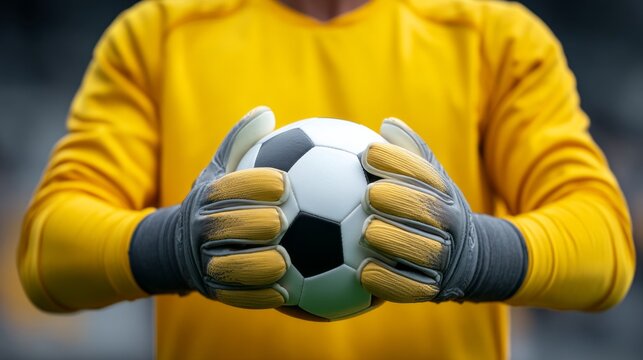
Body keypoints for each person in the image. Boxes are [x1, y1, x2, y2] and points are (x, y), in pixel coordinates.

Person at [18, 0, 635, 358]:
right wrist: (172, 245)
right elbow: (48, 257)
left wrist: (477, 254)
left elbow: (604, 247)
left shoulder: (497, 38)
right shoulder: (156, 35)